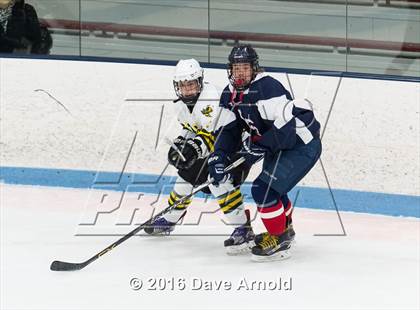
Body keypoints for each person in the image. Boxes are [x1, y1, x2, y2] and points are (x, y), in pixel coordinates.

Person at [208, 45, 322, 262]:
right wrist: (219, 156)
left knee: (263, 189)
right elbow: (227, 131)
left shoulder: (267, 88)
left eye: (245, 68)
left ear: (254, 69)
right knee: (274, 190)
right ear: (229, 69)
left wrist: (257, 148)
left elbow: (287, 128)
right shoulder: (229, 93)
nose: (240, 73)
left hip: (301, 144)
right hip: (278, 145)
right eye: (236, 68)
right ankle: (285, 230)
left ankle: (279, 238)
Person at [144, 58, 255, 254]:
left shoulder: (211, 99)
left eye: (191, 84)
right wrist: (182, 144)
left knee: (217, 180)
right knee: (185, 174)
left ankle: (244, 229)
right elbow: (193, 129)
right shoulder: (181, 105)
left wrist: (195, 148)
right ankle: (171, 219)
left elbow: (217, 135)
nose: (187, 89)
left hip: (235, 147)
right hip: (213, 148)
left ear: (200, 82)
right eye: (182, 85)